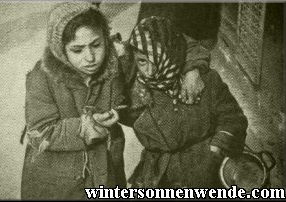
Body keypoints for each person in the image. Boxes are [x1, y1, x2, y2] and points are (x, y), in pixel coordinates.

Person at [20, 3, 210, 200]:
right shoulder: (43, 76)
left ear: (105, 38)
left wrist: (191, 68)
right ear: (60, 49)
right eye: (77, 50)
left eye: (96, 44)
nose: (90, 57)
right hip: (59, 179)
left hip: (105, 168)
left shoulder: (116, 58)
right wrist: (86, 126)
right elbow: (40, 130)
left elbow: (171, 40)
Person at [126, 16, 248, 188]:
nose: (150, 72)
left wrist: (216, 149)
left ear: (172, 51)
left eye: (159, 59)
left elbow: (233, 119)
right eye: (142, 61)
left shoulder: (205, 80)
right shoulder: (134, 93)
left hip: (206, 171)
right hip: (160, 176)